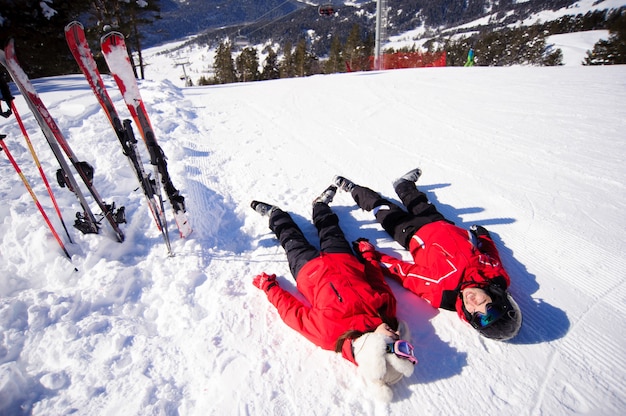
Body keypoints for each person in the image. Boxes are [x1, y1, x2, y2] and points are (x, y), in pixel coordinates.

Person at [250, 185, 415, 402]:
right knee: (330, 230)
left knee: (291, 239)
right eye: (400, 341)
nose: (396, 334)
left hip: (308, 271)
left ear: (373, 349)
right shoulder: (386, 313)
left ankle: (275, 215)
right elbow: (377, 280)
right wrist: (368, 256)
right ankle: (320, 205)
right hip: (344, 260)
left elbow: (292, 313)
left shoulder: (329, 335)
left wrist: (269, 288)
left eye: (392, 343)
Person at [332, 169, 522, 341]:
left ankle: (353, 189)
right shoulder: (496, 275)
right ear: (499, 298)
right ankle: (403, 185)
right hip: (443, 225)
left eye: (476, 315)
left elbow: (404, 273)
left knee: (382, 208)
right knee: (421, 203)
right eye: (487, 308)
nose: (474, 304)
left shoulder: (442, 291)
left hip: (412, 233)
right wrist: (483, 238)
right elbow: (491, 254)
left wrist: (371, 255)